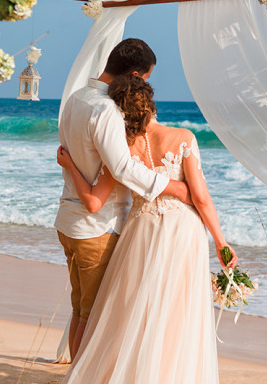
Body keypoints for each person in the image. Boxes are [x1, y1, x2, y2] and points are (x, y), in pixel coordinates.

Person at [12, 74, 237, 384]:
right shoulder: (183, 136)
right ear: (151, 105)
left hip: (139, 234)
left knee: (131, 321)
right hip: (180, 237)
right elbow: (201, 198)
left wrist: (68, 166)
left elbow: (96, 196)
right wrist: (222, 243)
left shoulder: (124, 148)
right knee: (173, 324)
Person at [53, 38, 189, 360]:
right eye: (145, 79)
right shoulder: (106, 110)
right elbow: (123, 167)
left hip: (69, 222)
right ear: (134, 74)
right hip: (96, 228)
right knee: (93, 317)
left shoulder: (75, 98)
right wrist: (174, 187)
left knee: (80, 312)